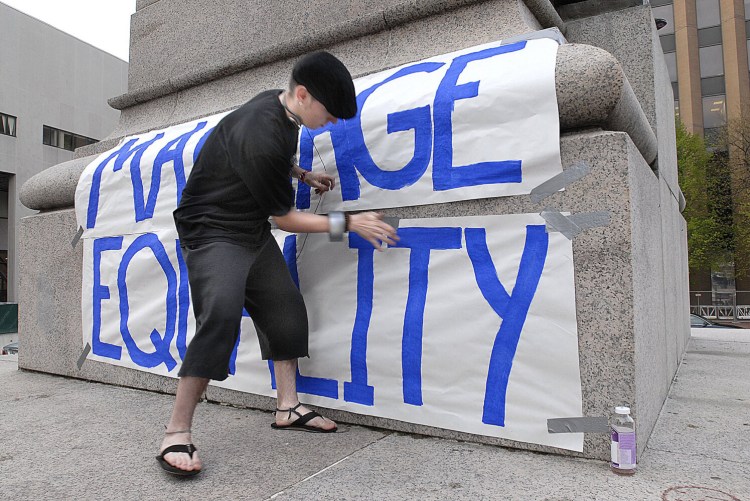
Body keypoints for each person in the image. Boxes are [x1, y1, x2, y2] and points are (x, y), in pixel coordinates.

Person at [156, 51, 399, 476]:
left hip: (248, 228)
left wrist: (302, 175)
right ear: (303, 94)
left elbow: (263, 162)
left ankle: (288, 407)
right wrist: (350, 223)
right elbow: (285, 219)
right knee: (221, 317)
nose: (333, 123)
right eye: (329, 113)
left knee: (285, 310)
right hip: (212, 231)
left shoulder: (280, 107)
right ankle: (176, 432)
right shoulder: (261, 132)